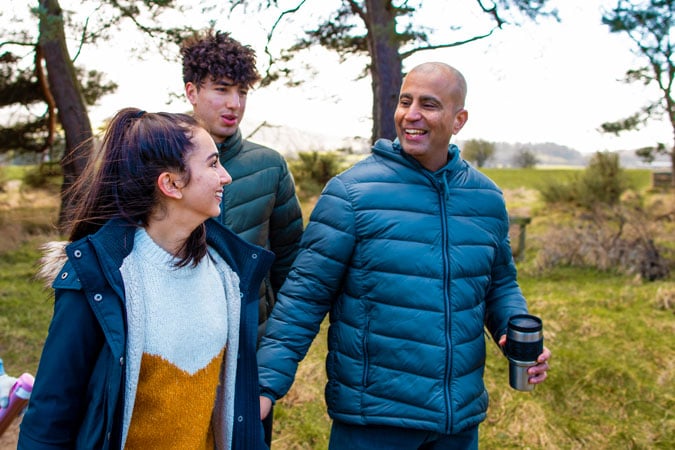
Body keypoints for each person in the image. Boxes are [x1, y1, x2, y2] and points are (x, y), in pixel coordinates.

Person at [256, 62, 552, 449]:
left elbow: (499, 284)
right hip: (373, 419)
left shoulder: (486, 199)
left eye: (428, 104)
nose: (411, 115)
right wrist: (264, 385)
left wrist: (512, 331)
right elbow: (303, 297)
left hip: (456, 421)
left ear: (458, 119)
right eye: (405, 101)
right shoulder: (351, 194)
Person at [17, 108, 274, 449]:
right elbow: (51, 413)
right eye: (212, 164)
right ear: (170, 183)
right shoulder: (97, 278)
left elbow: (234, 404)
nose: (225, 176)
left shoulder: (228, 271)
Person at [180, 29, 304, 447]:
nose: (234, 104)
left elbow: (291, 263)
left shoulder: (269, 166)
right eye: (221, 89)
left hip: (249, 352)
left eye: (242, 91)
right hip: (176, 349)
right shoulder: (156, 158)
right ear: (192, 91)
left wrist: (271, 347)